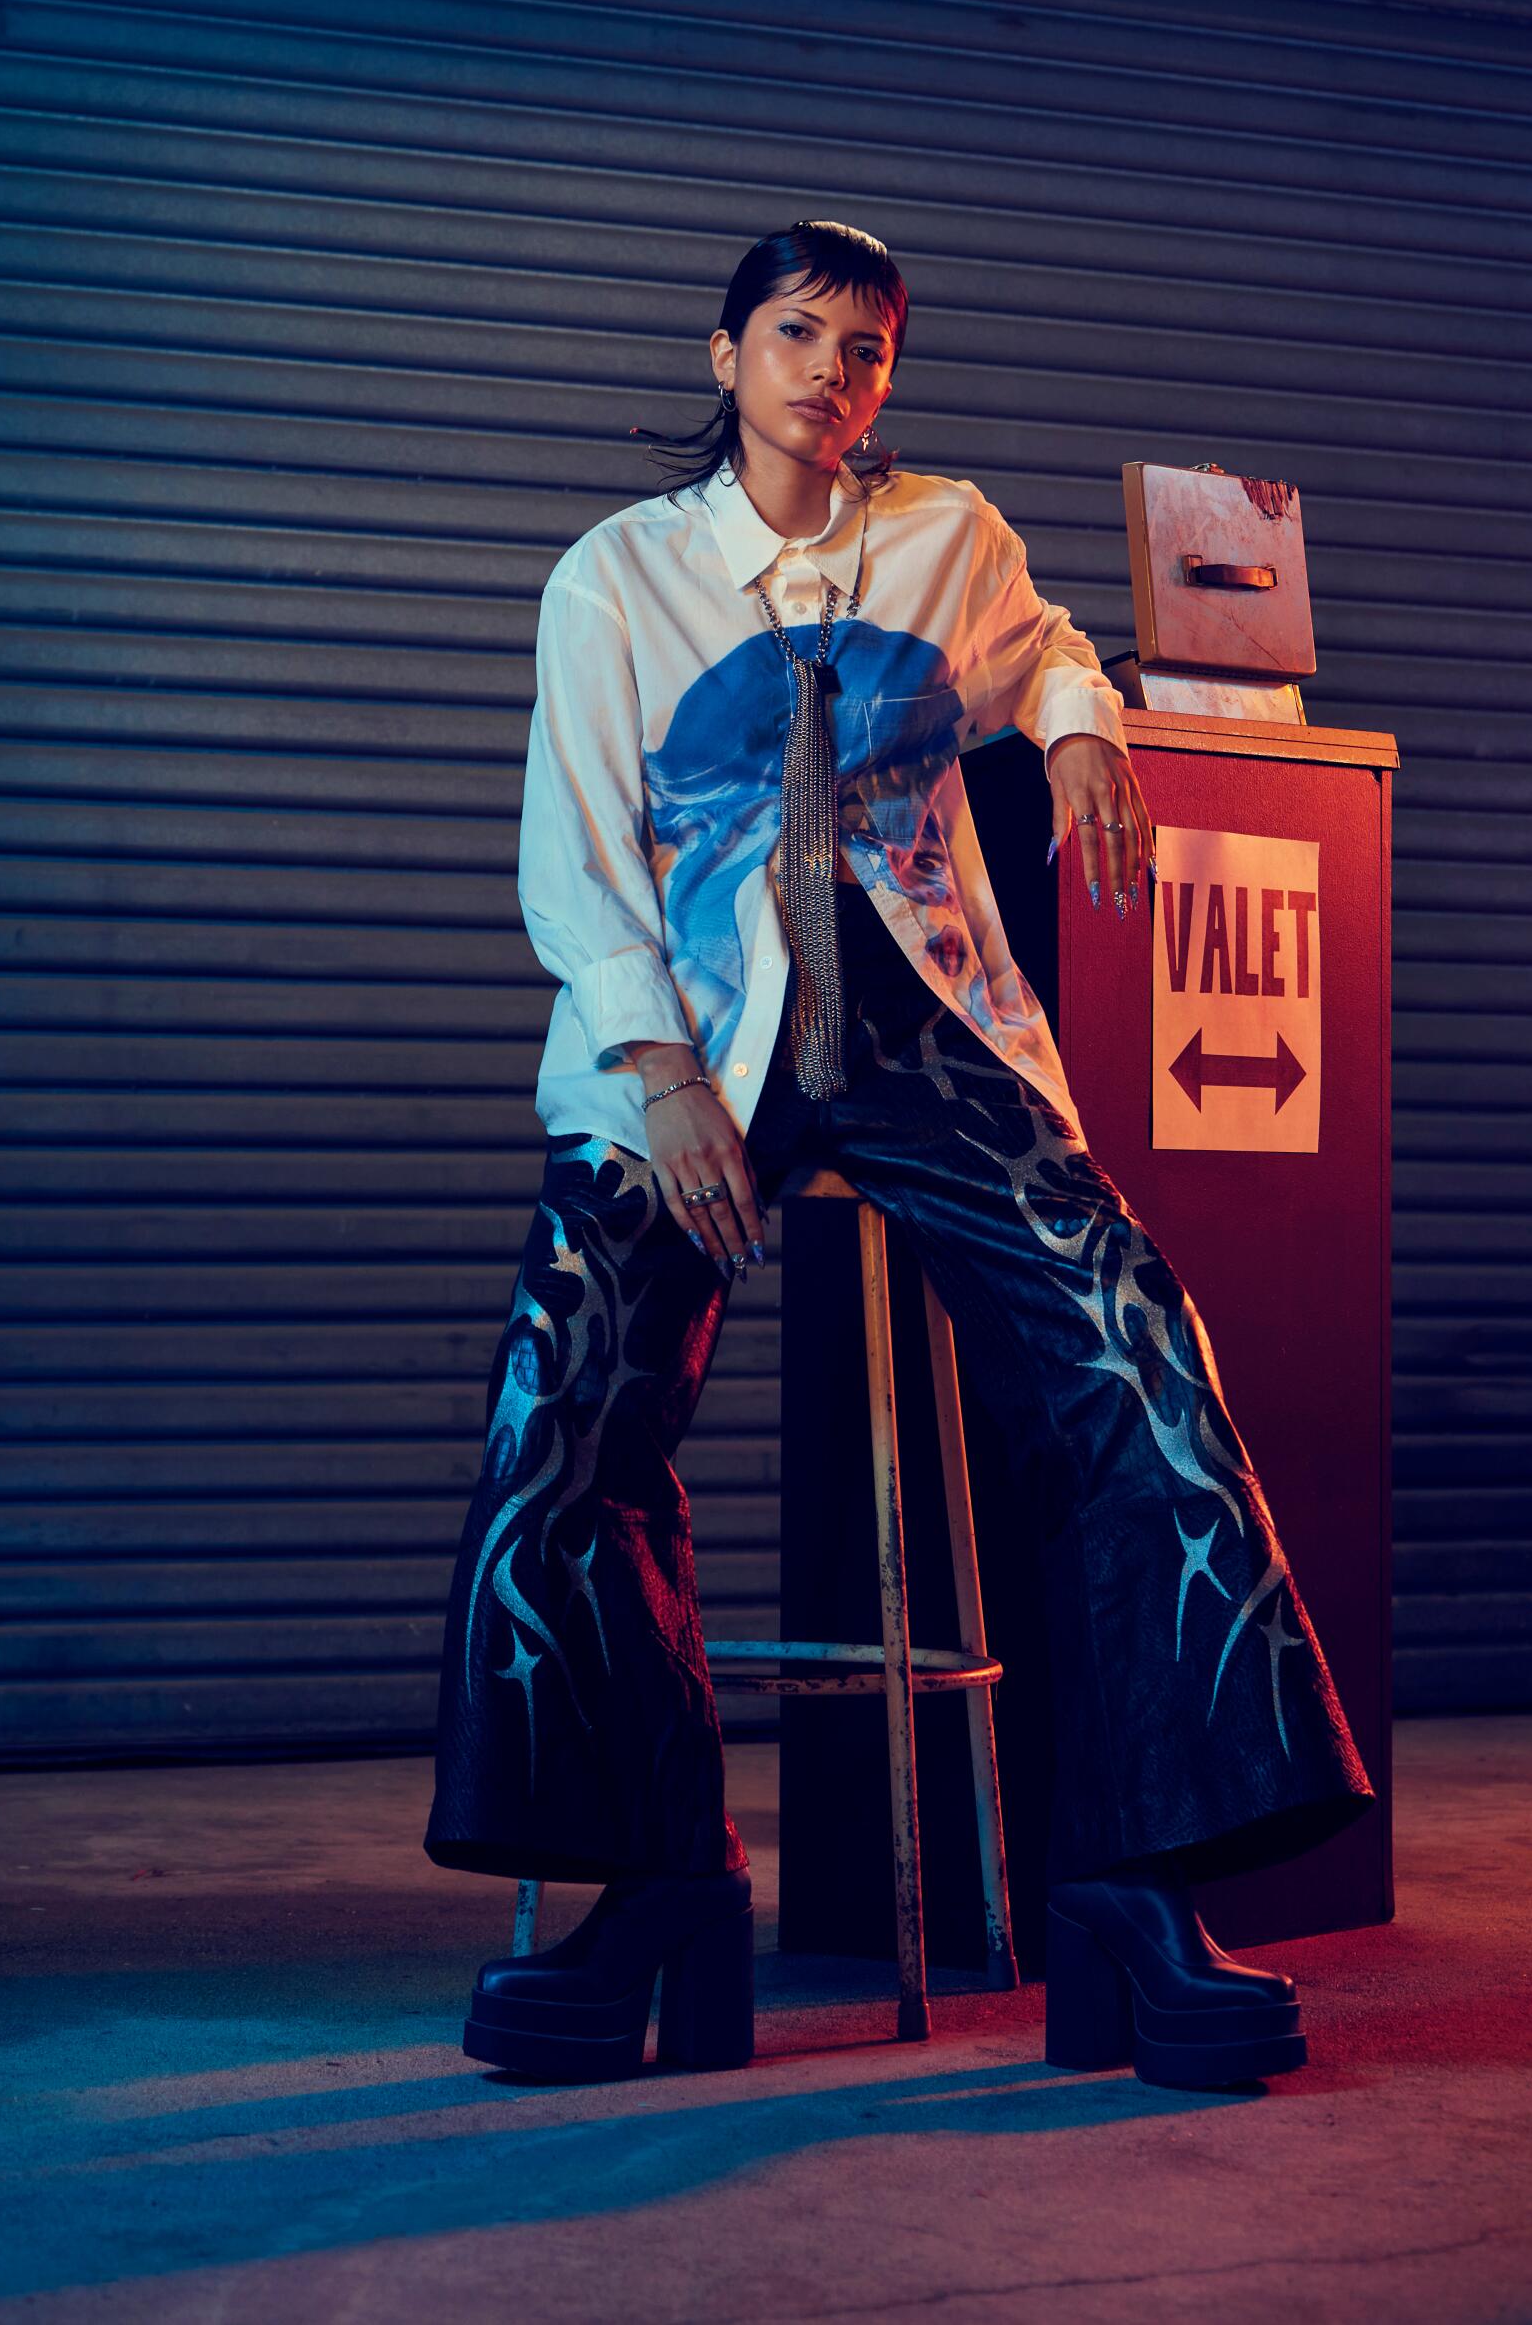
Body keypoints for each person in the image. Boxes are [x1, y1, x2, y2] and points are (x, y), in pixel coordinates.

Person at [427, 219, 1373, 2090]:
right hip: (696, 1034)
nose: (830, 375)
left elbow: (1053, 661)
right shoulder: (619, 576)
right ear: (724, 357)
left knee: (1137, 1368)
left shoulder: (950, 534)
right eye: (795, 335)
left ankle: (1137, 1889)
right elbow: (577, 848)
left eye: (864, 349)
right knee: (571, 1410)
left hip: (927, 1025)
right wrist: (658, 1068)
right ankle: (658, 1896)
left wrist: (1094, 728)